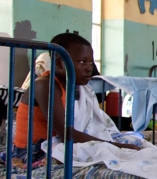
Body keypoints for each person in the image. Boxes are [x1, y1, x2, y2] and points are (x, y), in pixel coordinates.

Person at [12, 33, 139, 161]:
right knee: (114, 155)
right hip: (32, 153)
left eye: (91, 62)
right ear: (59, 63)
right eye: (82, 62)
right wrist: (115, 146)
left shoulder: (75, 88)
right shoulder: (45, 85)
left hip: (54, 146)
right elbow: (66, 134)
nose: (89, 68)